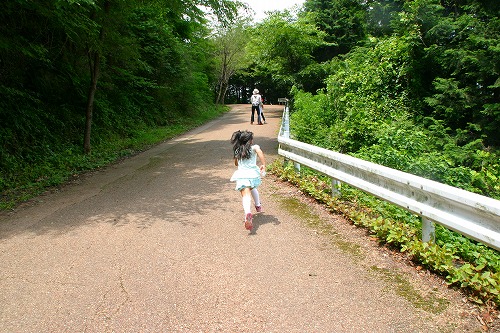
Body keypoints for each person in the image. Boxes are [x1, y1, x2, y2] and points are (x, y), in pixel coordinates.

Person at [230, 130, 266, 230]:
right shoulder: (255, 147)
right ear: (250, 141)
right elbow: (260, 152)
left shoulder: (238, 150)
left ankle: (247, 213)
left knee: (245, 194)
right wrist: (263, 164)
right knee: (253, 187)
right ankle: (258, 205)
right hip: (252, 174)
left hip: (242, 174)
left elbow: (236, 164)